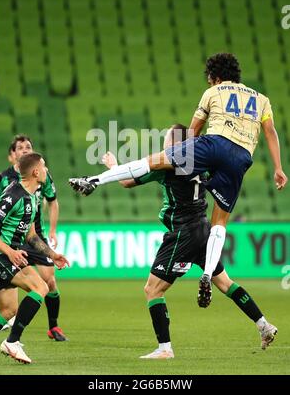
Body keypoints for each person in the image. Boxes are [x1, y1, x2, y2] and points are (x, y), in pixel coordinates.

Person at [69, 53, 288, 307]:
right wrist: (278, 168)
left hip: (213, 144)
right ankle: (207, 273)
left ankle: (95, 180)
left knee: (154, 160)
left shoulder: (214, 92)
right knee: (220, 221)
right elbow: (270, 132)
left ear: (215, 77)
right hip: (241, 156)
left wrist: (180, 156)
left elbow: (193, 129)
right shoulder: (261, 99)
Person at [101, 125, 277, 358]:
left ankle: (165, 349)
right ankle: (264, 325)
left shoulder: (167, 164)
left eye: (167, 139)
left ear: (175, 142)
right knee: (225, 282)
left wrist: (113, 165)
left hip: (183, 233)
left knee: (153, 290)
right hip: (204, 229)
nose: (164, 144)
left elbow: (127, 181)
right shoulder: (203, 163)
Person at [0, 153, 69, 364]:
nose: (46, 170)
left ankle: (12, 341)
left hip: (6, 255)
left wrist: (53, 254)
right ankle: (12, 342)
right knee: (40, 287)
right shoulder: (13, 195)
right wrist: (10, 252)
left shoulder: (33, 198)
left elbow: (31, 236)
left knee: (8, 310)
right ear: (35, 172)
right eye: (43, 166)